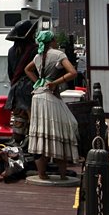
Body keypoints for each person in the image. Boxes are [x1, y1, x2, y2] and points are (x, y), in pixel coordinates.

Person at [23, 30, 79, 181]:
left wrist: (38, 81)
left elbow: (27, 69)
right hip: (49, 97)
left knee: (41, 134)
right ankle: (62, 175)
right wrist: (55, 82)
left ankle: (41, 174)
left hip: (37, 96)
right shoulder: (58, 54)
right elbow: (73, 72)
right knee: (62, 131)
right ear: (52, 41)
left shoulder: (38, 56)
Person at [4, 19, 37, 148]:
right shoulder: (35, 50)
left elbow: (10, 73)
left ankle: (16, 146)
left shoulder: (11, 51)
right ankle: (31, 148)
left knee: (19, 119)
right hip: (31, 89)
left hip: (16, 89)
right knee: (33, 120)